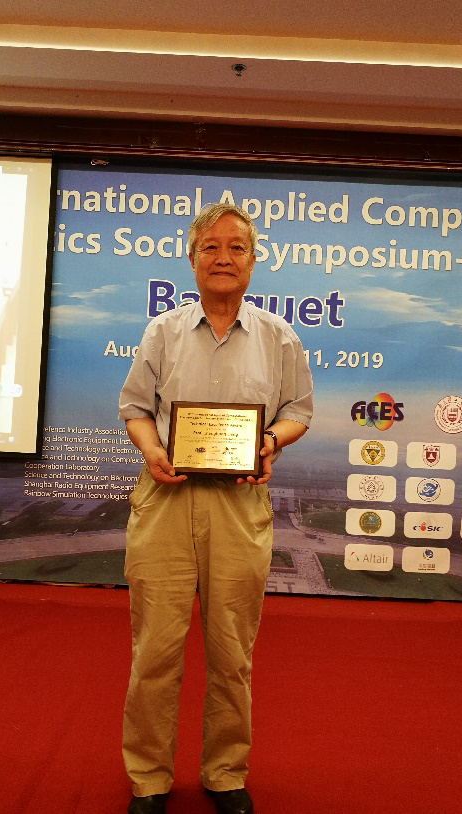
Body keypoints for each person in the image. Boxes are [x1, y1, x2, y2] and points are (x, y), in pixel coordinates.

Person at [118, 203, 313, 814]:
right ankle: (149, 778)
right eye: (211, 247)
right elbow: (135, 408)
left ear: (253, 262)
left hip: (238, 505)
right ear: (192, 259)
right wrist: (152, 451)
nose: (223, 258)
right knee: (155, 650)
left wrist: (270, 441)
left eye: (236, 248)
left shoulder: (279, 337)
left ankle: (225, 773)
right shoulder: (163, 332)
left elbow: (299, 411)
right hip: (166, 499)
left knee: (232, 652)